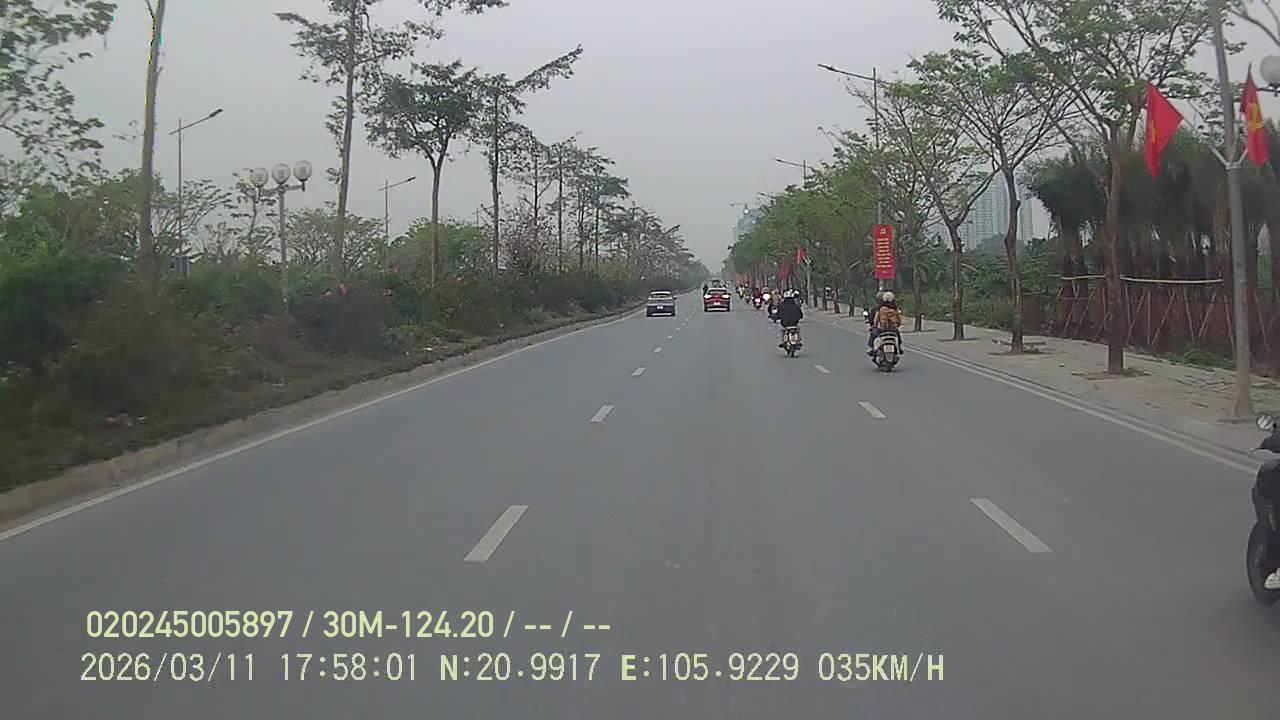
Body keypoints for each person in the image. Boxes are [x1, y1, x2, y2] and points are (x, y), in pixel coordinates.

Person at [867, 291, 903, 356]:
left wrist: (874, 326)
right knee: (898, 335)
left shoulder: (880, 309)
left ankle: (871, 348)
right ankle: (900, 348)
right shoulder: (895, 309)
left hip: (882, 330)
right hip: (892, 330)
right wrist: (897, 325)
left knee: (873, 333)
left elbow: (876, 320)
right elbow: (899, 320)